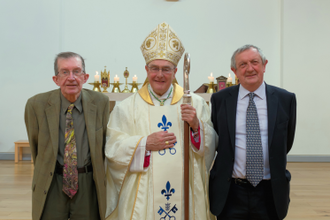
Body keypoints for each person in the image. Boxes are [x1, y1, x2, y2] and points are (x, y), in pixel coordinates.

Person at [104, 22, 217, 220]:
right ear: (146, 70)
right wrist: (144, 144)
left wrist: (196, 127)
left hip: (185, 186)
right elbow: (113, 148)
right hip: (144, 191)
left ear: (175, 72)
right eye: (154, 68)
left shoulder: (195, 104)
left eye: (166, 69)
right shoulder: (127, 107)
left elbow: (211, 145)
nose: (160, 75)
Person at [209, 45, 297, 220]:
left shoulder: (285, 99)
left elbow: (286, 142)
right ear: (234, 70)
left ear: (264, 65)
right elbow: (218, 139)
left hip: (270, 192)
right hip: (231, 191)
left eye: (254, 62)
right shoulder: (220, 99)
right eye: (243, 64)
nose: (249, 68)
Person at [24, 52, 110, 220]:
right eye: (64, 72)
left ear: (85, 77)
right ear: (56, 79)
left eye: (76, 71)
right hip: (52, 182)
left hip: (88, 183)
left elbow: (104, 143)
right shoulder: (36, 105)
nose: (71, 77)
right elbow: (36, 149)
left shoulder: (100, 102)